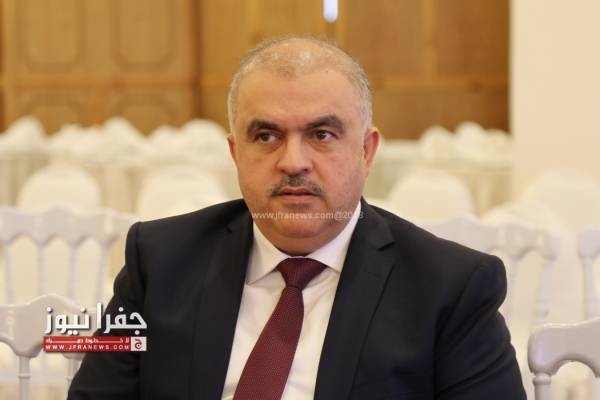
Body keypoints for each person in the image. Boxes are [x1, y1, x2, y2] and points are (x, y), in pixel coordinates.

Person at [69, 36, 526, 399]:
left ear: (366, 152)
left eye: (322, 134)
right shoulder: (159, 260)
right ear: (235, 153)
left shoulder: (451, 288)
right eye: (266, 136)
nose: (293, 162)